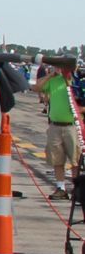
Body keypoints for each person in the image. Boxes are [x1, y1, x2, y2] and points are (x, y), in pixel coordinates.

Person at [33, 66, 78, 197]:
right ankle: (60, 188)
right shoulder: (54, 81)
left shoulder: (75, 81)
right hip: (55, 125)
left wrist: (68, 77)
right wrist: (51, 74)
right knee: (57, 159)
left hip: (72, 126)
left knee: (75, 160)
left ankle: (76, 188)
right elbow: (35, 87)